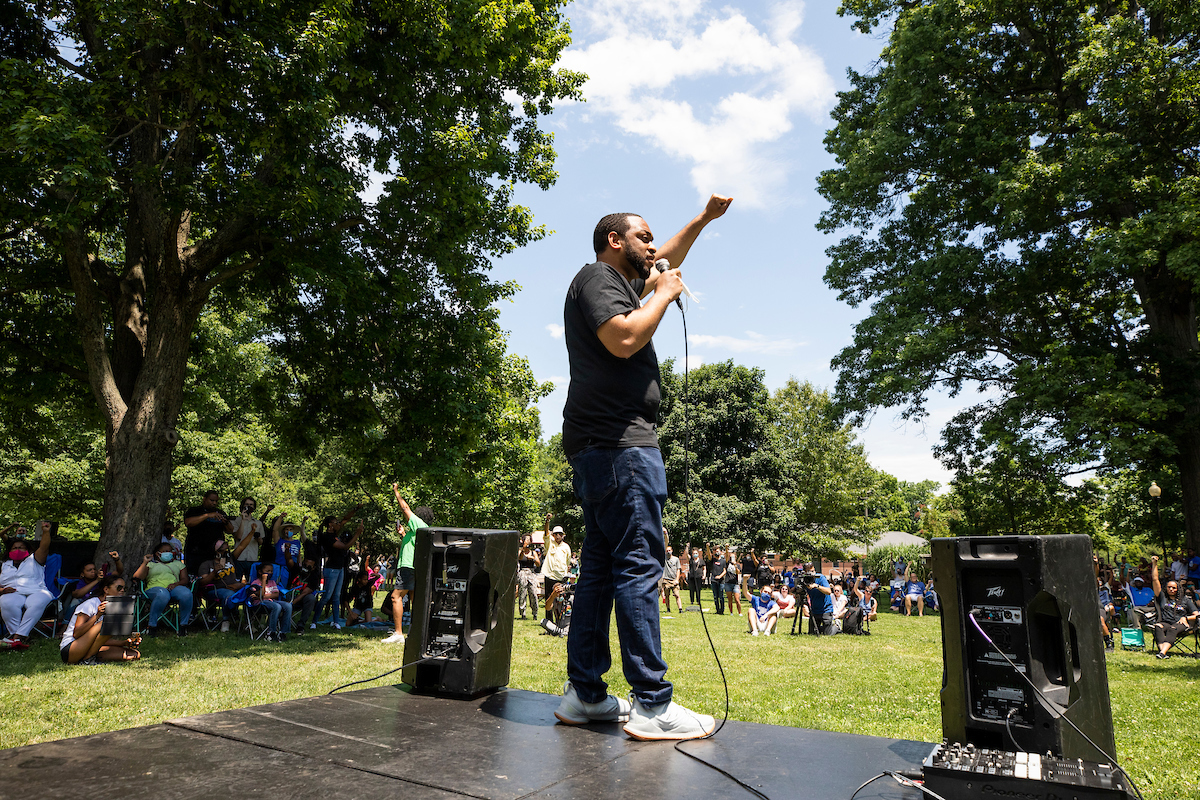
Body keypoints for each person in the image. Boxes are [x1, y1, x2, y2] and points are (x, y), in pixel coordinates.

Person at [555, 196, 731, 741]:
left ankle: (586, 696)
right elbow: (625, 337)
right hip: (621, 446)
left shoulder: (613, 281)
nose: (655, 248)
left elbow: (664, 258)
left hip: (597, 445)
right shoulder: (598, 280)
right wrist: (666, 292)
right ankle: (653, 704)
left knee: (602, 570)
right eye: (644, 237)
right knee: (639, 566)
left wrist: (701, 221)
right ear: (615, 241)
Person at [382, 485, 431, 644]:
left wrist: (396, 491)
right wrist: (403, 534)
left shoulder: (418, 522)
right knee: (414, 599)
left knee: (396, 597)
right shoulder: (421, 529)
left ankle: (398, 634)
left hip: (408, 567)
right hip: (415, 567)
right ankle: (417, 632)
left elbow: (404, 507)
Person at [60, 574, 142, 665]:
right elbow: (77, 633)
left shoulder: (113, 607)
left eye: (124, 588)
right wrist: (97, 616)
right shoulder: (90, 604)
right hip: (71, 648)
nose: (122, 590)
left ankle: (89, 657)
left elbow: (99, 640)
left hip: (88, 647)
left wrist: (124, 643)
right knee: (110, 622)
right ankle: (87, 660)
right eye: (119, 588)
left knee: (134, 654)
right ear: (106, 589)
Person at [0, 521, 56, 649]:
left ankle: (18, 637)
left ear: (27, 550)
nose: (18, 550)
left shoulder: (35, 559)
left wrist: (46, 532)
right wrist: (2, 590)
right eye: (15, 548)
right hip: (12, 592)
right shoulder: (4, 564)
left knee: (36, 603)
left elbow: (44, 547)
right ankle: (16, 635)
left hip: (37, 590)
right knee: (6, 603)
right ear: (9, 551)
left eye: (21, 548)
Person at [316, 502, 363, 629]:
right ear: (330, 525)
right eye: (335, 523)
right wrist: (357, 534)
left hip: (340, 568)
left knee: (337, 596)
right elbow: (345, 546)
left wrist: (355, 509)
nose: (338, 524)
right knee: (326, 597)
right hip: (331, 569)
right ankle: (314, 621)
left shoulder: (335, 534)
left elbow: (345, 519)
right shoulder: (327, 537)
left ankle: (336, 621)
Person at [134, 542, 194, 637]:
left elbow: (185, 579)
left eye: (170, 551)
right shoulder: (151, 564)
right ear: (158, 553)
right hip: (154, 589)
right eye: (166, 551)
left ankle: (183, 626)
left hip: (174, 588)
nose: (169, 553)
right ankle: (152, 626)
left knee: (187, 594)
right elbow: (137, 577)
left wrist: (176, 584)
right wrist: (145, 562)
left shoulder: (178, 564)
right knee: (163, 594)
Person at [1149, 555, 1200, 658]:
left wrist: (1185, 618)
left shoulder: (1185, 600)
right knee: (1158, 627)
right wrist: (1154, 564)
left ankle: (1162, 652)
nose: (1171, 589)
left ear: (1178, 589)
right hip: (1165, 622)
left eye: (1173, 588)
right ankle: (1163, 652)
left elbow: (1197, 614)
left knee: (1173, 629)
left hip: (1179, 624)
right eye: (1169, 587)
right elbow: (1155, 580)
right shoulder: (1162, 597)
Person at [195, 539, 248, 632]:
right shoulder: (207, 564)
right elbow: (202, 582)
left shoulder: (230, 559)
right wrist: (214, 572)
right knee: (228, 594)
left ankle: (248, 623)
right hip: (214, 590)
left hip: (234, 588)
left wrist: (252, 531)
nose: (225, 551)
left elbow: (241, 546)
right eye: (222, 549)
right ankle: (226, 620)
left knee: (251, 591)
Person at [182, 491, 235, 578]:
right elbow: (188, 522)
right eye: (212, 500)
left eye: (216, 501)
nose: (214, 503)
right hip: (195, 552)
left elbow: (230, 530)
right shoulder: (194, 510)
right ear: (204, 499)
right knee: (195, 577)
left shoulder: (220, 512)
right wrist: (207, 515)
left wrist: (226, 522)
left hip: (214, 554)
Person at [62, 550, 124, 623]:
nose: (93, 571)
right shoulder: (80, 582)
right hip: (84, 605)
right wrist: (96, 581)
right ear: (82, 574)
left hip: (100, 604)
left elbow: (119, 572)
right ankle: (65, 625)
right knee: (74, 601)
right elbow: (77, 594)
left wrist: (117, 560)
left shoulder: (103, 578)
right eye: (89, 570)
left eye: (94, 569)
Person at [229, 497, 273, 582]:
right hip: (239, 558)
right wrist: (243, 519)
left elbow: (261, 542)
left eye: (251, 505)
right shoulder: (236, 520)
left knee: (252, 583)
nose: (249, 507)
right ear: (242, 506)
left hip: (252, 558)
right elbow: (238, 537)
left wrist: (257, 537)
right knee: (236, 582)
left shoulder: (258, 523)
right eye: (247, 504)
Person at [249, 562, 292, 642]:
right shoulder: (255, 583)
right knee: (277, 606)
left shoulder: (272, 582)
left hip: (272, 601)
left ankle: (283, 632)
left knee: (288, 606)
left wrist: (263, 596)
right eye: (268, 571)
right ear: (260, 572)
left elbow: (276, 594)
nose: (270, 573)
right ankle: (271, 632)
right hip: (260, 604)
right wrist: (264, 581)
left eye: (271, 571)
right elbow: (261, 594)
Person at [541, 516, 572, 622]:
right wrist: (547, 521)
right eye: (555, 534)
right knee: (549, 599)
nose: (558, 536)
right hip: (550, 575)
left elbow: (567, 562)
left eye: (560, 534)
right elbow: (546, 533)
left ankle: (560, 621)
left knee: (561, 600)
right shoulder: (550, 543)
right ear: (553, 535)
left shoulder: (566, 547)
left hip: (561, 577)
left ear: (563, 535)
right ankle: (549, 623)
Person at [803, 562, 834, 635]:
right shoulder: (805, 579)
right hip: (814, 610)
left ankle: (836, 626)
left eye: (813, 571)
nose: (812, 573)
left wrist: (816, 586)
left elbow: (829, 591)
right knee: (812, 633)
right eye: (809, 571)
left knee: (827, 634)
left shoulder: (820, 577)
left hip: (825, 610)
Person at [517, 533, 542, 619]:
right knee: (522, 593)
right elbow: (519, 558)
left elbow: (538, 564)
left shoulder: (533, 552)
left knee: (533, 593)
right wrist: (524, 549)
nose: (528, 541)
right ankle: (523, 613)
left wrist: (533, 559)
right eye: (526, 539)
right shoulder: (520, 551)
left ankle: (535, 612)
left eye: (529, 540)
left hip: (531, 572)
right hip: (522, 572)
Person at [660, 544, 681, 614]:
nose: (668, 552)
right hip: (666, 580)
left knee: (677, 595)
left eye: (669, 550)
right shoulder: (664, 558)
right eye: (667, 551)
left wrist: (677, 579)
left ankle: (680, 609)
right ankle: (668, 609)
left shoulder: (676, 559)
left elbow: (678, 569)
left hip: (674, 580)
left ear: (672, 551)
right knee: (667, 596)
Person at [707, 545, 727, 615]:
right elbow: (709, 555)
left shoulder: (723, 561)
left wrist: (720, 576)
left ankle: (722, 610)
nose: (717, 552)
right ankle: (717, 610)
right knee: (715, 597)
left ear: (720, 552)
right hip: (713, 580)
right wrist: (708, 547)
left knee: (721, 596)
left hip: (721, 581)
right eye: (715, 551)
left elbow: (725, 571)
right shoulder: (713, 560)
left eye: (718, 551)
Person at [724, 548, 742, 616]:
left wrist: (735, 565)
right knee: (730, 599)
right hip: (728, 583)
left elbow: (738, 573)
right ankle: (731, 612)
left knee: (737, 599)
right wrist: (727, 549)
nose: (732, 558)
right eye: (731, 557)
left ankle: (740, 612)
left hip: (735, 584)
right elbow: (726, 555)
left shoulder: (737, 565)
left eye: (733, 557)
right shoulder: (727, 563)